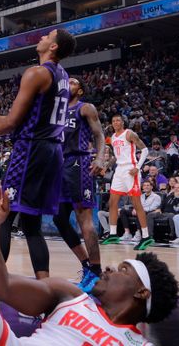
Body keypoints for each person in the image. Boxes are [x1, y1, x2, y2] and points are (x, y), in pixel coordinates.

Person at [0, 183, 179, 346]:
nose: (107, 269)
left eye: (123, 270)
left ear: (142, 292)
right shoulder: (70, 295)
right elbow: (0, 285)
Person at [0, 28, 76, 282]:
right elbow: (30, 117)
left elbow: (13, 121)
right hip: (52, 152)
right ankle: (44, 288)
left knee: (4, 217)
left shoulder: (37, 73)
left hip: (31, 151)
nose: (41, 37)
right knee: (32, 226)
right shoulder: (62, 76)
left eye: (47, 36)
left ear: (53, 47)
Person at [50, 77, 106, 292]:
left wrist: (100, 158)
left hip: (79, 162)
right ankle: (85, 263)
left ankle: (96, 270)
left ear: (80, 90)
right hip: (59, 165)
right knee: (59, 219)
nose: (68, 84)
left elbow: (99, 134)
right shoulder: (57, 111)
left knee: (84, 220)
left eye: (73, 82)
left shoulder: (85, 108)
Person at [100, 115, 154, 250]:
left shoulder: (129, 133)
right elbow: (115, 156)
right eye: (113, 120)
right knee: (112, 202)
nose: (115, 122)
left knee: (136, 204)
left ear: (123, 122)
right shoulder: (112, 137)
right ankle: (112, 234)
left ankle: (146, 237)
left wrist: (138, 167)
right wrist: (106, 166)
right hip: (119, 170)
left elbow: (145, 150)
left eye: (118, 120)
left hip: (131, 169)